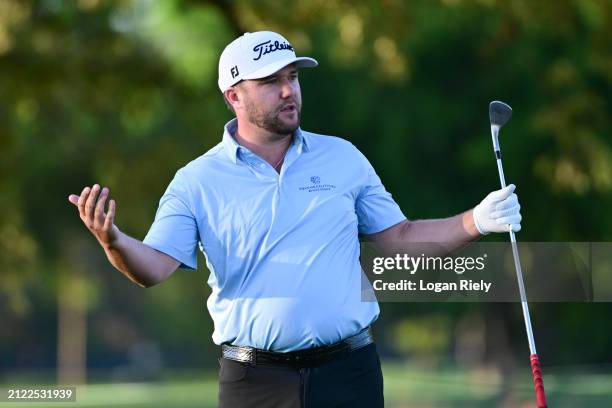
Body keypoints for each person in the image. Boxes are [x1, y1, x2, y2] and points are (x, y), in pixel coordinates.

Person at [68, 31, 522, 408]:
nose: (288, 90)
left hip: (349, 374)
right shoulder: (197, 180)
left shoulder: (342, 157)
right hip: (254, 382)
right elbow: (154, 268)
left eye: (292, 77)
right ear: (233, 96)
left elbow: (400, 238)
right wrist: (113, 241)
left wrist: (477, 220)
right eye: (270, 81)